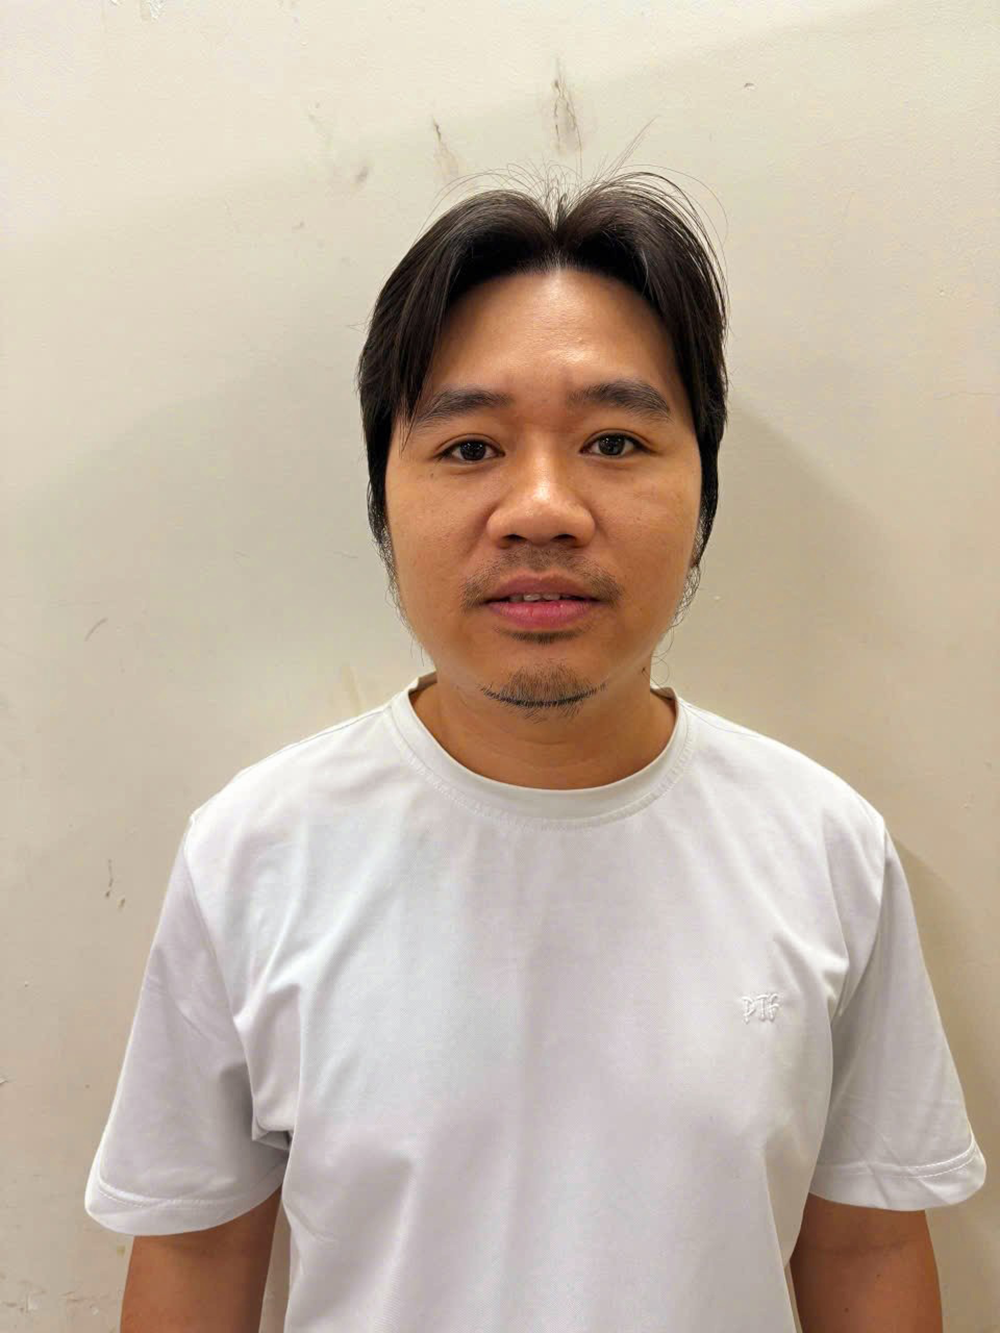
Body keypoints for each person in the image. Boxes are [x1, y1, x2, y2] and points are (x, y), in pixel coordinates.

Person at [84, 168, 986, 1332]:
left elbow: (864, 1248)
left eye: (614, 440)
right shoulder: (254, 852)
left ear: (702, 492)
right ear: (384, 499)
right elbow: (198, 1255)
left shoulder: (823, 848)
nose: (541, 509)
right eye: (469, 447)